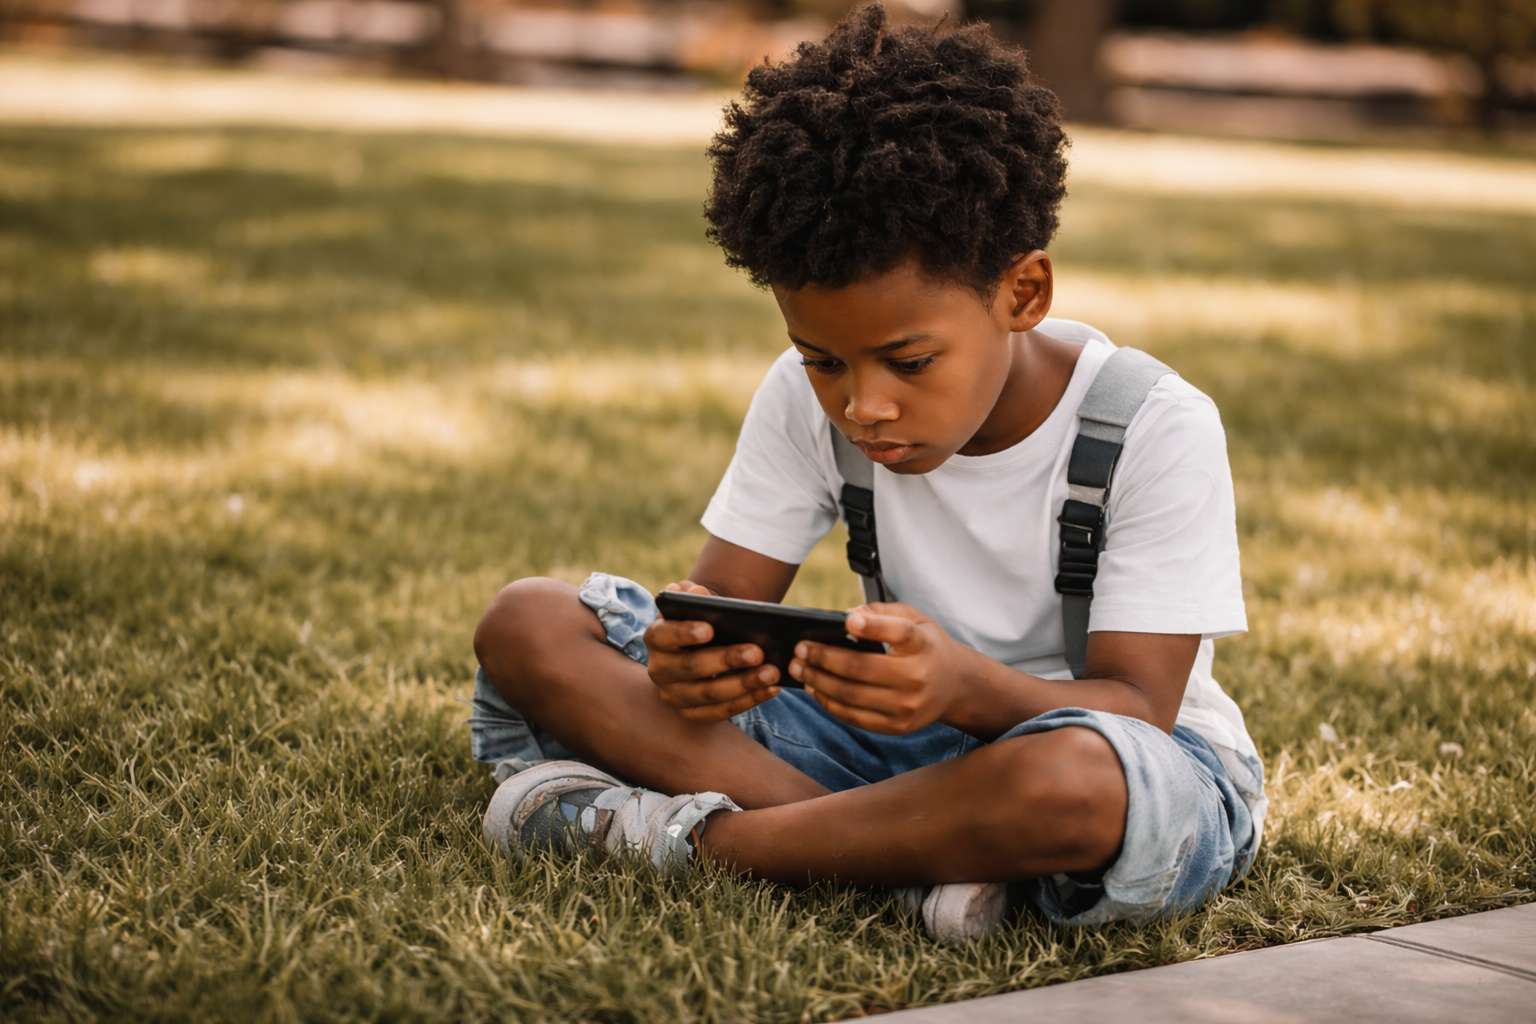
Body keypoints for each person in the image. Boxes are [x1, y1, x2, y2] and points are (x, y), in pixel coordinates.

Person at [469, 2, 1266, 940]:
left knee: (1069, 783)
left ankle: (705, 843)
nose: (863, 406)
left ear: (1023, 292)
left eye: (911, 362)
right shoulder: (807, 395)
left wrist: (964, 689)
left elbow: (1139, 707)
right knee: (528, 622)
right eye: (823, 360)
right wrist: (697, 667)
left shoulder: (1152, 426)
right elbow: (724, 601)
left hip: (1110, 757)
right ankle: (897, 862)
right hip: (871, 742)